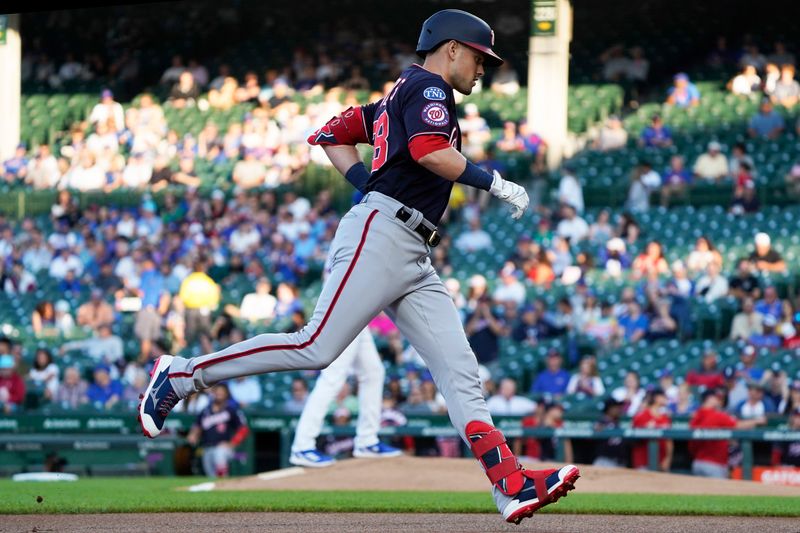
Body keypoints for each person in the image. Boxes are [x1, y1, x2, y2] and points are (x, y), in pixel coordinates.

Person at [139, 10, 577, 525]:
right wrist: (494, 182)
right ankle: (182, 375)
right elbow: (430, 151)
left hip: (410, 247)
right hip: (383, 233)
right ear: (453, 48)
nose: (484, 68)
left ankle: (509, 481)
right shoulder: (430, 88)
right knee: (316, 346)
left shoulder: (397, 97)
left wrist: (364, 183)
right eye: (480, 56)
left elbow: (330, 133)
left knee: (459, 368)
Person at [688, 388, 765, 478]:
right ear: (709, 399)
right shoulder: (716, 415)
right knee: (717, 491)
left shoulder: (696, 415)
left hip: (697, 463)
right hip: (714, 465)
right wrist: (757, 421)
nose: (719, 401)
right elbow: (738, 425)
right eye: (716, 398)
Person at [186, 384, 249, 478]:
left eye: (221, 392)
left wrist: (232, 443)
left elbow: (243, 429)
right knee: (211, 476)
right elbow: (197, 426)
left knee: (220, 457)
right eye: (217, 392)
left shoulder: (231, 410)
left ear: (226, 394)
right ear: (213, 393)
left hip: (223, 448)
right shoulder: (205, 410)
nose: (219, 394)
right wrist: (193, 435)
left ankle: (224, 484)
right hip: (207, 447)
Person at [630, 389, 672, 472]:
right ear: (656, 398)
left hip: (661, 461)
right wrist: (645, 429)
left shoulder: (665, 418)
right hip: (643, 461)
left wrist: (668, 459)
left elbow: (669, 441)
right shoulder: (641, 416)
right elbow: (632, 439)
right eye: (663, 396)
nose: (666, 399)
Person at [592, 398, 627, 468]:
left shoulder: (618, 423)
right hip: (604, 461)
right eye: (615, 407)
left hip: (620, 462)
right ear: (609, 409)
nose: (618, 409)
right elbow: (595, 429)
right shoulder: (601, 422)